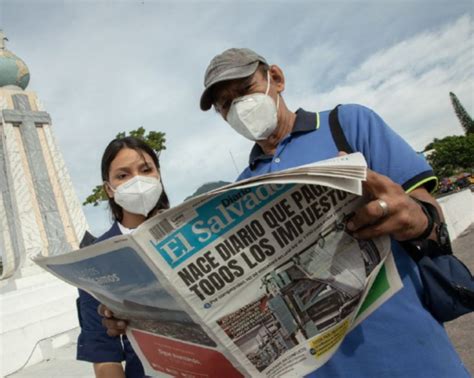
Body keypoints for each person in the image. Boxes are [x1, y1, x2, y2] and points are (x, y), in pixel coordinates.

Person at [196, 48, 469, 377]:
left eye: (245, 90)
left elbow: (429, 211)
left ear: (276, 79)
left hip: (412, 355)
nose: (238, 106)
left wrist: (415, 217)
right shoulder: (241, 190)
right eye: (226, 104)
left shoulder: (348, 123)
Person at [76, 136, 170, 378]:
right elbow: (104, 355)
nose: (137, 180)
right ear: (110, 188)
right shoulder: (95, 259)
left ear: (158, 175)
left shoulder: (196, 227)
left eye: (145, 169)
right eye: (123, 175)